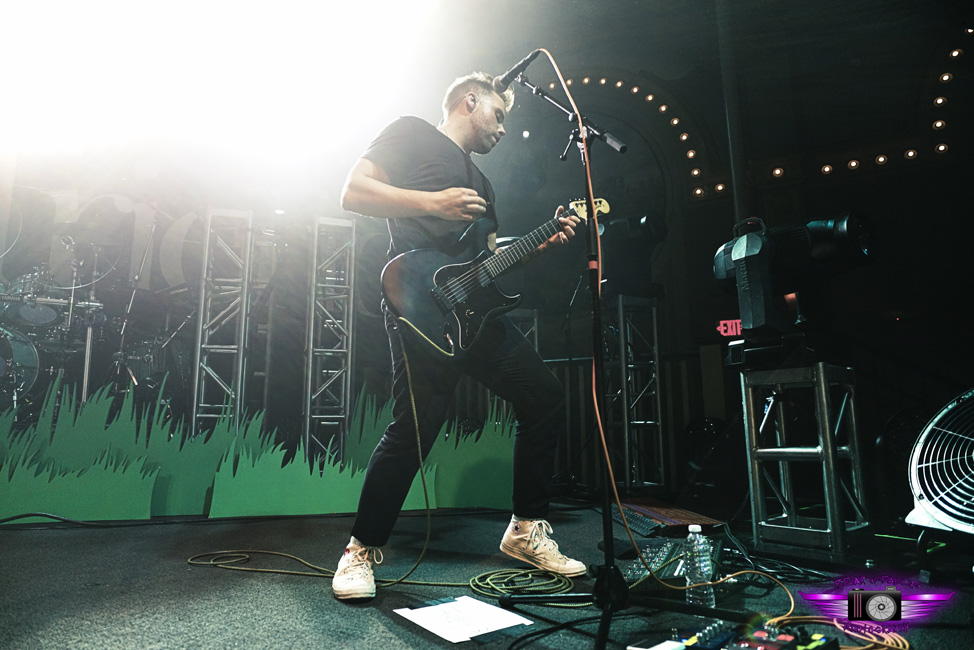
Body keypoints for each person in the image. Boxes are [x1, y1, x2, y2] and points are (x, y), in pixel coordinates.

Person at [333, 71, 584, 600]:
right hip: (420, 301)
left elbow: (484, 260)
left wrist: (539, 242)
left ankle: (525, 528)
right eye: (498, 115)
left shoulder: (484, 185)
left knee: (545, 396)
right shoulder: (410, 132)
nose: (502, 129)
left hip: (476, 310)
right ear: (470, 100)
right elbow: (352, 192)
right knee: (418, 424)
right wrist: (432, 204)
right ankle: (359, 550)